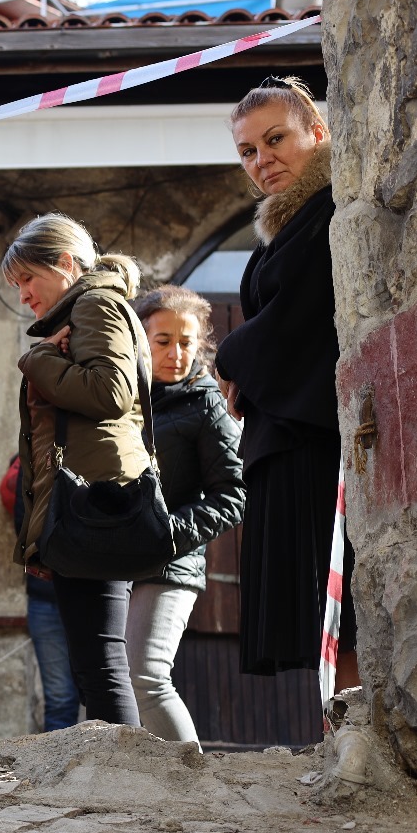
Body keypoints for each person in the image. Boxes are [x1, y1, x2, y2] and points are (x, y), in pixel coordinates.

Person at [216, 76, 356, 683]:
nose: (261, 160)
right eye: (248, 151)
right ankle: (336, 732)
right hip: (285, 434)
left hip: (316, 437)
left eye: (276, 139)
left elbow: (300, 310)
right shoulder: (284, 223)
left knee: (341, 608)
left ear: (317, 133)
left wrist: (231, 358)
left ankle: (354, 730)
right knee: (312, 613)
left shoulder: (332, 206)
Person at [3, 212, 147, 727]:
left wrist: (39, 359)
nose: (22, 294)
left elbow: (109, 393)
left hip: (97, 505)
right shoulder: (85, 308)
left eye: (27, 279)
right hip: (88, 503)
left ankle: (129, 786)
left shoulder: (96, 303)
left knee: (103, 666)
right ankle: (111, 782)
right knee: (92, 665)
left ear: (65, 263)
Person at [129, 286, 246, 745]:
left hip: (172, 561)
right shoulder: (120, 396)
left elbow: (234, 494)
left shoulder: (205, 401)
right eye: (163, 341)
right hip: (114, 560)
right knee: (116, 679)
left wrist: (170, 532)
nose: (176, 353)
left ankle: (191, 782)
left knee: (148, 676)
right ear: (140, 339)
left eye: (187, 342)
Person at [0, 455, 80, 731]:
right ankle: (62, 771)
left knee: (69, 698)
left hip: (56, 593)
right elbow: (24, 525)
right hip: (57, 594)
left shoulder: (32, 459)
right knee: (66, 698)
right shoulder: (30, 460)